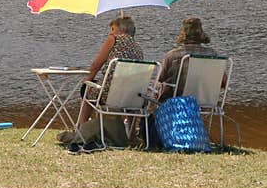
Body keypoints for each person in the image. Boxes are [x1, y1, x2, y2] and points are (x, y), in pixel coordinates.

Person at [60, 15, 143, 149]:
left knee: (87, 89)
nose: (110, 32)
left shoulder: (113, 39)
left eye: (112, 28)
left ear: (120, 29)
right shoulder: (138, 46)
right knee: (127, 89)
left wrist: (86, 80)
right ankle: (131, 135)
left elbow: (96, 65)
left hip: (111, 94)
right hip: (133, 96)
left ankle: (80, 130)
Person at [155, 16, 219, 102]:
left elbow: (160, 79)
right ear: (201, 33)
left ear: (183, 33)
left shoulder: (172, 55)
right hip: (203, 99)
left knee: (158, 87)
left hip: (176, 99)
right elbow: (222, 81)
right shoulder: (212, 55)